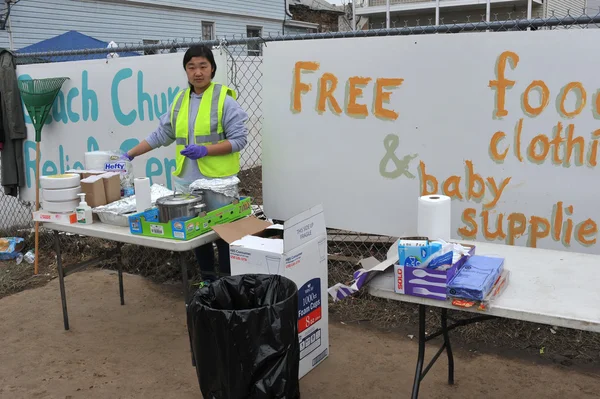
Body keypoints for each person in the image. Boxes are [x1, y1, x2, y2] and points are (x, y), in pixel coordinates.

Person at [122, 45, 249, 285]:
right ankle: (207, 281)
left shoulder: (224, 100)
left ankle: (226, 284)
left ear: (212, 68)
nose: (197, 72)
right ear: (186, 71)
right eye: (191, 67)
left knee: (223, 234)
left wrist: (205, 150)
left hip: (218, 182)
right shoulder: (180, 100)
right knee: (195, 230)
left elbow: (239, 139)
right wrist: (130, 154)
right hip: (187, 181)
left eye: (203, 66)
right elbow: (162, 135)